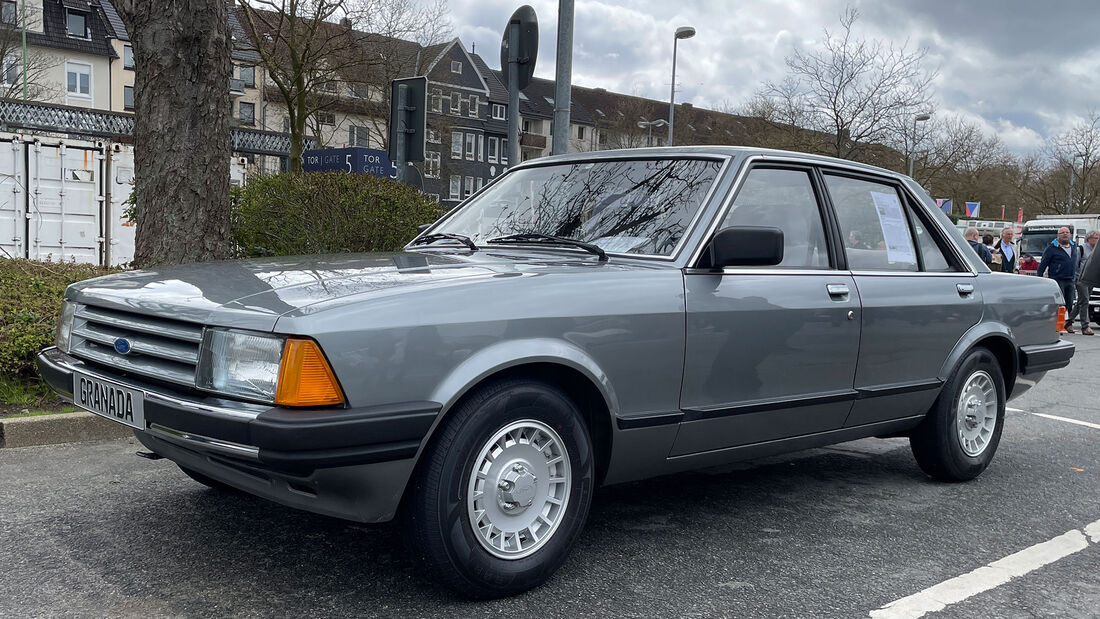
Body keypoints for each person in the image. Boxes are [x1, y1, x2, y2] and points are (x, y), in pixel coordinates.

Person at [1037, 226, 1080, 333]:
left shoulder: (1074, 246)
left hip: (1070, 279)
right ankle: (1057, 324)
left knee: (1070, 302)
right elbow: (1044, 263)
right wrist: (1039, 277)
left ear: (1070, 234)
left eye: (1067, 232)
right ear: (1058, 235)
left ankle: (1068, 324)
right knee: (1060, 303)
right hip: (1057, 279)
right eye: (1062, 233)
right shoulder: (1052, 248)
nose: (1065, 234)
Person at [1068, 230, 1099, 335]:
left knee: (1081, 302)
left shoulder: (1096, 250)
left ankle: (1068, 321)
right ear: (1089, 238)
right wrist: (1076, 278)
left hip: (1090, 280)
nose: (1097, 240)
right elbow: (1075, 265)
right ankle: (1085, 326)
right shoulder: (1081, 249)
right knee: (1085, 301)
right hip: (1081, 279)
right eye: (1096, 238)